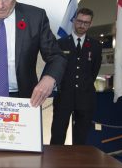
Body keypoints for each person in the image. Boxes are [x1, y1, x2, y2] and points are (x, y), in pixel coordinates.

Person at [50, 8, 102, 145]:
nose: (82, 25)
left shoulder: (96, 46)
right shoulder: (61, 44)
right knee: (57, 135)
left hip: (85, 98)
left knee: (81, 137)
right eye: (79, 21)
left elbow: (94, 71)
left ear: (90, 24)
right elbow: (56, 68)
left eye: (86, 22)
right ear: (74, 20)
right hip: (64, 97)